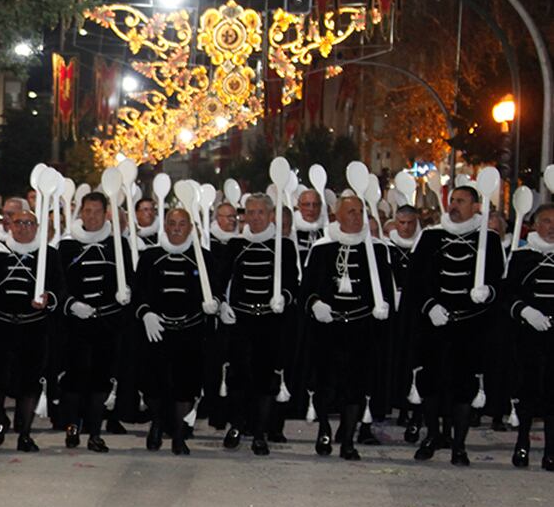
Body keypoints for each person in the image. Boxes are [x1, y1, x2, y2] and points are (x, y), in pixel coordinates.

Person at [408, 184, 505, 466]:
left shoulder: (489, 239)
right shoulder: (431, 237)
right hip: (435, 325)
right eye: (452, 200)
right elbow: (416, 281)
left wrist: (488, 292)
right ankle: (433, 436)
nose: (454, 205)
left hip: (469, 327)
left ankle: (459, 445)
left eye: (461, 201)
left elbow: (499, 282)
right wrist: (430, 306)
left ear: (476, 206)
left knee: (463, 386)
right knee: (430, 383)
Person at [302, 194, 393, 461]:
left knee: (356, 386)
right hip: (328, 330)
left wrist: (383, 305)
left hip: (360, 329)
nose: (356, 216)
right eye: (350, 212)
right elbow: (308, 289)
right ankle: (324, 429)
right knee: (325, 384)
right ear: (337, 216)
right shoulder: (322, 250)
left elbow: (385, 290)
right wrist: (315, 303)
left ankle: (349, 440)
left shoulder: (376, 250)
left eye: (359, 212)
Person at [218, 193, 301, 456]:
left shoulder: (283, 246)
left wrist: (283, 298)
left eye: (260, 213)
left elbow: (292, 281)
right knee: (238, 376)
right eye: (250, 213)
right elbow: (221, 279)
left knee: (264, 379)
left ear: (270, 215)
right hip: (241, 320)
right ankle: (236, 425)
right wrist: (221, 303)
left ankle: (259, 433)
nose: (255, 218)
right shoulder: (236, 244)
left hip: (270, 321)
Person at [0, 208, 57, 452]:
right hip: (0, 326)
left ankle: (26, 434)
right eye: (19, 222)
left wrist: (48, 298)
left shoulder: (48, 255)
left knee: (31, 381)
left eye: (30, 223)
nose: (23, 227)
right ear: (9, 225)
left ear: (37, 227)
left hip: (34, 326)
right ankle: (0, 418)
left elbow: (59, 289)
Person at [134, 207, 216, 455]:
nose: (177, 228)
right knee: (155, 385)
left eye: (182, 223)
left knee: (186, 386)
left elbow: (216, 289)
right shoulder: (150, 257)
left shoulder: (203, 258)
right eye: (172, 223)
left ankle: (179, 435)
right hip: (157, 331)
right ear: (165, 226)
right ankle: (157, 423)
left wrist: (215, 303)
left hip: (189, 331)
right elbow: (138, 291)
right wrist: (145, 312)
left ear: (191, 228)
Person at [56, 191, 133, 452]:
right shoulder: (67, 246)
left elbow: (130, 279)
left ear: (105, 214)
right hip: (76, 324)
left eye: (97, 212)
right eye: (87, 211)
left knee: (101, 380)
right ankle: (72, 427)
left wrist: (126, 293)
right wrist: (71, 304)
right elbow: (58, 283)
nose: (91, 216)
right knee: (75, 379)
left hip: (107, 324)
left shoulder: (118, 245)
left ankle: (95, 433)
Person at [503, 202, 554, 470]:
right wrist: (525, 311)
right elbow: (507, 294)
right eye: (546, 221)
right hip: (529, 335)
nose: (552, 227)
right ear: (534, 225)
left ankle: (551, 451)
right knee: (527, 391)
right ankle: (522, 443)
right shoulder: (523, 257)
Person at [386, 203, 425, 442]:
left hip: (415, 313)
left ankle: (414, 411)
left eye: (410, 223)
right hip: (392, 312)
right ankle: (396, 403)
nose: (406, 228)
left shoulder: (423, 246)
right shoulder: (386, 247)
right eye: (402, 223)